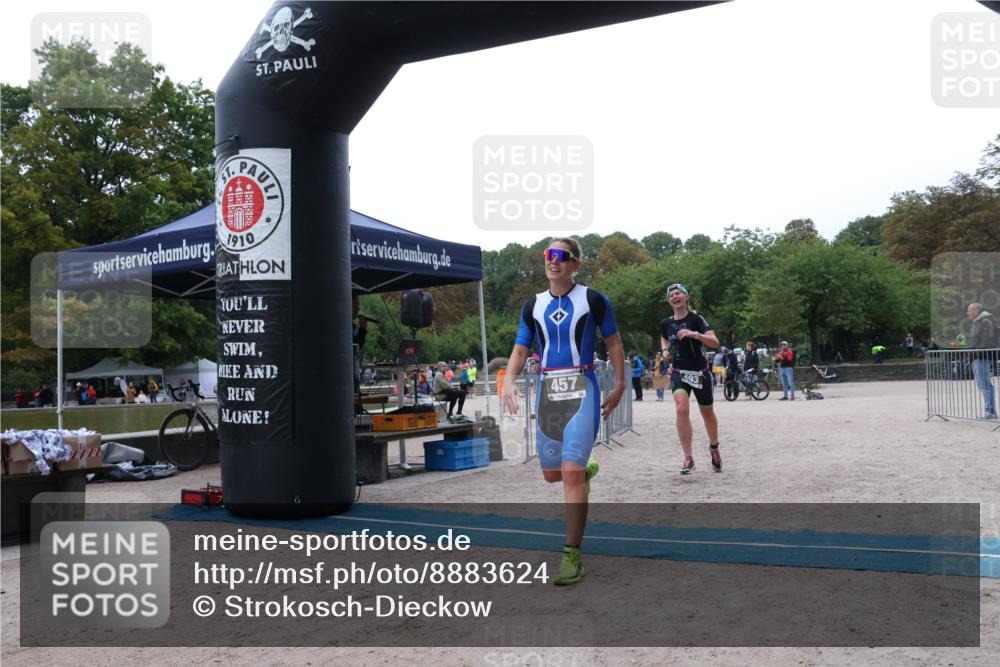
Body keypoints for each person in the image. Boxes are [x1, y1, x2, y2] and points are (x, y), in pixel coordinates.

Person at [502, 238, 625, 586]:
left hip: (582, 386)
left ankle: (572, 554)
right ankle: (582, 474)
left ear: (575, 264)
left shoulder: (593, 300)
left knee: (569, 475)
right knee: (553, 475)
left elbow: (613, 341)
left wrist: (619, 385)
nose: (553, 261)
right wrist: (509, 380)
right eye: (548, 255)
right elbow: (521, 347)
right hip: (547, 392)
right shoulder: (533, 305)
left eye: (561, 256)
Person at [660, 283, 722, 475]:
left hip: (700, 372)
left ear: (686, 297)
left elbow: (715, 342)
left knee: (707, 413)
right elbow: (664, 338)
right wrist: (665, 352)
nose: (675, 297)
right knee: (681, 408)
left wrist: (694, 334)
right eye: (671, 295)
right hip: (679, 371)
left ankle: (714, 448)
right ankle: (688, 457)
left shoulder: (696, 319)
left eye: (678, 293)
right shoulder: (666, 323)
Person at [967, 302, 998, 419]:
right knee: (982, 384)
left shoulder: (985, 322)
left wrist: (973, 354)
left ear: (976, 310)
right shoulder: (978, 322)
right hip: (977, 357)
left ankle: (990, 411)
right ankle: (990, 411)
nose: (968, 313)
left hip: (982, 357)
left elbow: (986, 342)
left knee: (985, 385)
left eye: (969, 310)